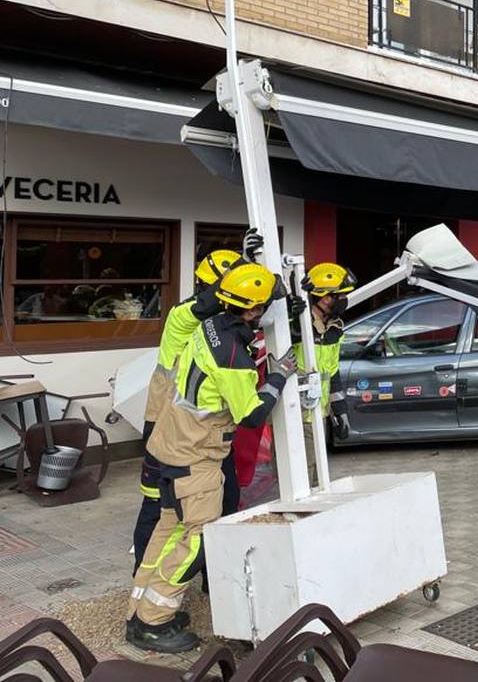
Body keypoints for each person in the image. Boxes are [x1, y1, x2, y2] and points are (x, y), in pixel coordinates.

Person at [127, 263, 291, 653]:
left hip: (170, 447)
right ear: (252, 311)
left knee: (167, 531)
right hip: (196, 456)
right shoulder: (233, 353)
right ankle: (153, 623)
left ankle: (140, 608)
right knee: (199, 539)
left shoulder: (209, 324)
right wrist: (278, 377)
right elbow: (251, 414)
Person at [131, 248, 241, 570]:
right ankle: (144, 574)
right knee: (157, 506)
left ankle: (213, 577)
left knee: (223, 499)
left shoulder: (224, 324)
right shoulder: (184, 314)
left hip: (206, 432)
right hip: (165, 427)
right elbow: (210, 303)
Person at [296, 262, 357, 486]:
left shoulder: (334, 329)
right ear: (323, 298)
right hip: (297, 416)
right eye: (338, 296)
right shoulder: (298, 326)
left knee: (318, 478)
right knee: (302, 479)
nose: (343, 301)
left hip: (318, 415)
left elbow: (332, 374)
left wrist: (340, 413)